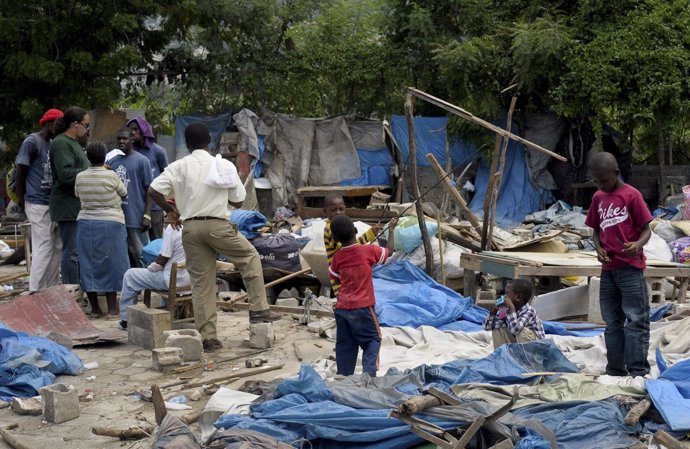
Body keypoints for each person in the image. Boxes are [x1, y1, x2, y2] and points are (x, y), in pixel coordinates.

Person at [148, 122, 281, 353]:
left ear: (188, 144)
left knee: (201, 283)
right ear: (209, 141)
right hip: (217, 226)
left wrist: (170, 211)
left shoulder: (178, 166)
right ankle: (259, 310)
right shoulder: (222, 165)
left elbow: (153, 190)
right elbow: (238, 201)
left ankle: (208, 338)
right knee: (249, 258)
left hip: (189, 229)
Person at [585, 151, 653, 377]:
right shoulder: (598, 198)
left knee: (636, 320)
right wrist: (599, 248)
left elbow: (646, 230)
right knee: (612, 322)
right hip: (609, 271)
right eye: (597, 181)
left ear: (616, 173)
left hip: (631, 269)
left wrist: (637, 244)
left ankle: (638, 371)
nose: (601, 185)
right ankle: (615, 369)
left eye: (604, 180)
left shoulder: (631, 195)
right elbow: (595, 231)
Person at [328, 214, 397, 377]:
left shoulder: (337, 257)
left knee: (345, 345)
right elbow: (390, 252)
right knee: (373, 340)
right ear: (355, 231)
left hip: (342, 309)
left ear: (336, 239)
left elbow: (335, 277)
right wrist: (391, 230)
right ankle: (368, 378)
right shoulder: (369, 251)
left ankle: (344, 379)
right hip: (363, 307)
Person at [75, 142, 129, 319]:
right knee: (112, 263)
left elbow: (77, 194)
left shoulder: (80, 177)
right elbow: (124, 193)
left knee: (88, 263)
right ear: (105, 157)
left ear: (87, 158)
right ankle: (113, 309)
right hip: (111, 222)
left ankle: (95, 308)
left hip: (86, 223)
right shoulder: (112, 176)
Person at [14, 108, 64, 292]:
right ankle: (34, 290)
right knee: (44, 245)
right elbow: (20, 173)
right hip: (36, 201)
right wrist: (22, 201)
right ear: (49, 123)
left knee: (57, 246)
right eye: (58, 123)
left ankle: (49, 289)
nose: (60, 127)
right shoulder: (32, 141)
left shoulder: (54, 143)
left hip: (52, 203)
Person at [118, 222, 189, 330]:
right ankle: (166, 311)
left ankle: (126, 319)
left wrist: (151, 268)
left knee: (130, 275)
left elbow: (162, 259)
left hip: (172, 280)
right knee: (161, 275)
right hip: (191, 281)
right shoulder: (198, 226)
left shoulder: (174, 228)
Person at [49, 106, 90, 285]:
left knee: (78, 251)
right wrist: (93, 171)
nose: (87, 129)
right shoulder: (61, 143)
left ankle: (78, 287)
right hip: (67, 206)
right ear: (75, 124)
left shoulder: (75, 144)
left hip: (76, 205)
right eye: (86, 125)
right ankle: (71, 292)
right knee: (71, 252)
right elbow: (66, 175)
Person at [107, 128, 153, 268]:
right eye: (119, 138)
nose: (121, 141)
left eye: (125, 138)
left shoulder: (142, 161)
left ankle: (149, 283)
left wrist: (147, 215)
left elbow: (150, 190)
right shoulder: (112, 162)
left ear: (132, 139)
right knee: (120, 253)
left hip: (136, 216)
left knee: (142, 252)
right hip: (117, 217)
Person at [322, 194, 378, 296]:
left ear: (345, 209)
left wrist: (370, 234)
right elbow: (350, 247)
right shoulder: (331, 228)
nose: (338, 213)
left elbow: (351, 244)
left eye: (341, 209)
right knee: (347, 300)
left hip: (345, 272)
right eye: (333, 210)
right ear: (325, 211)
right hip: (340, 274)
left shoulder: (338, 226)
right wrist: (369, 236)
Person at [127, 117, 169, 240]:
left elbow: (165, 176)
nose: (133, 133)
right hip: (136, 205)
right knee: (137, 244)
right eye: (130, 130)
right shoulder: (129, 152)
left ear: (144, 130)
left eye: (136, 129)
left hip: (155, 206)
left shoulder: (158, 151)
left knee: (156, 241)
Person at [482, 279, 545, 350]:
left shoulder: (529, 311)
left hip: (535, 351)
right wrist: (494, 310)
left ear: (518, 297)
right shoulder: (506, 309)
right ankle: (502, 357)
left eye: (507, 294)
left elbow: (515, 330)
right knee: (497, 329)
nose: (504, 297)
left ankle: (524, 360)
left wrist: (512, 309)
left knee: (522, 332)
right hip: (518, 346)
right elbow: (487, 327)